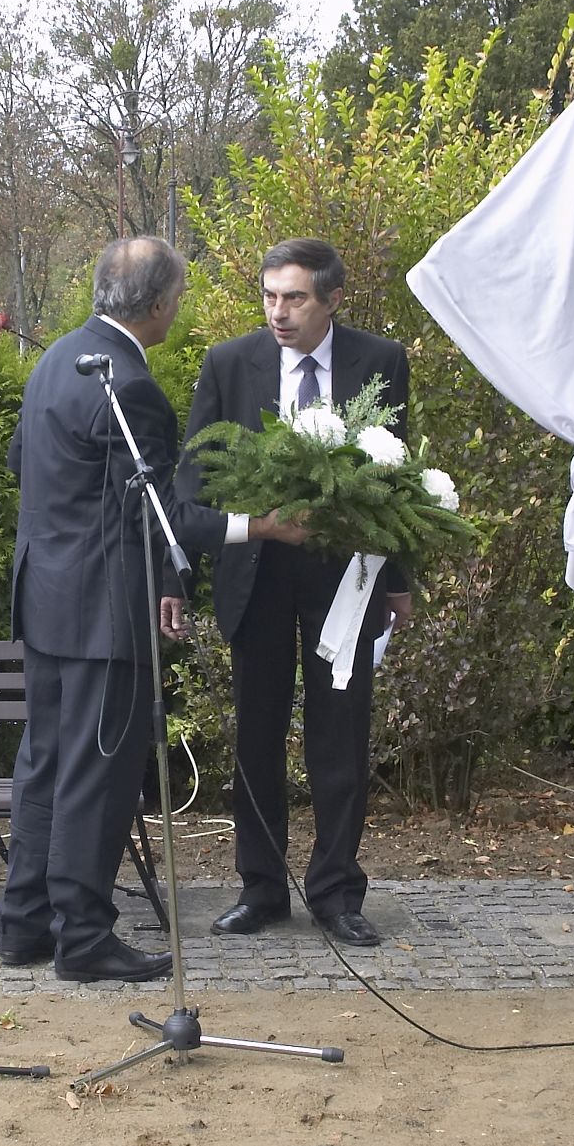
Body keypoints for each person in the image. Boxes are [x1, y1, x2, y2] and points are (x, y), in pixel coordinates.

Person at [0, 236, 305, 982]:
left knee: (44, 766)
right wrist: (261, 526)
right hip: (103, 612)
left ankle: (23, 925)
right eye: (179, 299)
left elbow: (20, 463)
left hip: (46, 599)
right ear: (160, 305)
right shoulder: (127, 383)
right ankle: (83, 938)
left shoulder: (55, 359)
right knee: (96, 778)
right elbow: (167, 515)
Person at [168, 238, 411, 948]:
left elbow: (397, 473)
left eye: (295, 298)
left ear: (332, 299)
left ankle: (336, 892)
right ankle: (262, 889)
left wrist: (397, 580)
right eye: (270, 296)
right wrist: (177, 575)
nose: (279, 312)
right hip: (257, 574)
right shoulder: (229, 363)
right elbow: (193, 480)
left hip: (346, 574)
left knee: (341, 736)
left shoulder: (381, 361)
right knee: (257, 734)